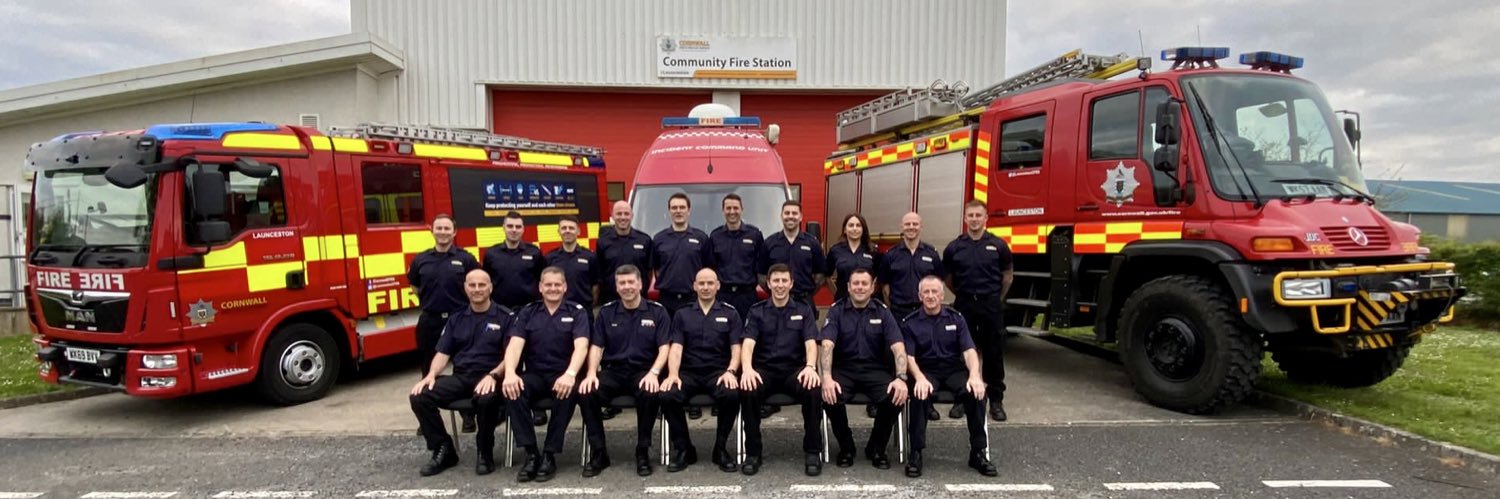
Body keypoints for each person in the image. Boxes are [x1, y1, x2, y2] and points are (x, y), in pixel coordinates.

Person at [408, 269, 512, 477]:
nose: (477, 289)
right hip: (462, 377)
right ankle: (443, 448)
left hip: (493, 378)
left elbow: (511, 355)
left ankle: (485, 451)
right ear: (465, 288)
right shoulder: (457, 319)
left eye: (482, 285)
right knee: (419, 396)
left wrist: (493, 375)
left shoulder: (505, 316)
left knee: (486, 399)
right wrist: (430, 375)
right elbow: (442, 353)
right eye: (472, 285)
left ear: (490, 287)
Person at [579, 264, 674, 477]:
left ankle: (642, 451)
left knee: (650, 392)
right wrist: (592, 373)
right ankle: (599, 452)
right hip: (613, 371)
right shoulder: (606, 312)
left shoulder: (657, 312)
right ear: (616, 286)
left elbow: (664, 348)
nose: (627, 286)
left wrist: (654, 373)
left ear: (640, 284)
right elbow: (596, 346)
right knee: (586, 392)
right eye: (622, 283)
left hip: (644, 370)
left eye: (631, 282)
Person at [501, 267, 591, 483]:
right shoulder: (528, 312)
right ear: (540, 287)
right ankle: (531, 453)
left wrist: (570, 374)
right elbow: (514, 346)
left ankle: (549, 454)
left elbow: (582, 347)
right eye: (548, 285)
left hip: (564, 373)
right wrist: (510, 373)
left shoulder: (576, 311)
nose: (553, 289)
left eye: (557, 284)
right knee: (513, 390)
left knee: (567, 393)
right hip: (535, 374)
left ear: (565, 287)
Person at [901, 276, 997, 477]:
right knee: (919, 395)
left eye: (934, 291)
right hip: (926, 371)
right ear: (919, 296)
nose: (930, 296)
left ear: (942, 295)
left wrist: (975, 375)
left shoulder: (956, 318)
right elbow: (909, 357)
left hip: (954, 370)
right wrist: (918, 377)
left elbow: (969, 351)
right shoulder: (910, 323)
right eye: (926, 292)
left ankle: (978, 452)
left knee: (976, 393)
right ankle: (916, 453)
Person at [818, 268, 909, 470]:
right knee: (828, 395)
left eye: (864, 284)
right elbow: (827, 345)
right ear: (848, 287)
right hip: (845, 369)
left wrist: (901, 377)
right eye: (856, 284)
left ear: (872, 287)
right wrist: (826, 377)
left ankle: (877, 447)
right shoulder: (836, 310)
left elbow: (898, 347)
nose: (860, 287)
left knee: (896, 394)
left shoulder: (883, 312)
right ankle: (846, 446)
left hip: (875, 370)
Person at [740, 264, 824, 477]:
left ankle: (813, 451)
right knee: (748, 390)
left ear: (791, 283)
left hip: (793, 370)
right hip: (764, 370)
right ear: (768, 283)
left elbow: (811, 343)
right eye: (775, 281)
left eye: (784, 280)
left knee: (813, 388)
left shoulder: (803, 310)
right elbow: (748, 344)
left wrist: (811, 367)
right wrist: (748, 369)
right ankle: (753, 453)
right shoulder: (756, 311)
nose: (780, 285)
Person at [661, 268, 743, 472]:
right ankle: (684, 449)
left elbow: (736, 348)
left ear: (718, 286)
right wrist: (672, 374)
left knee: (731, 395)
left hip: (719, 372)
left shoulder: (730, 312)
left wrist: (731, 371)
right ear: (694, 286)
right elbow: (676, 348)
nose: (706, 287)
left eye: (710, 283)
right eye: (702, 283)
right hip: (689, 372)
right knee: (668, 395)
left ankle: (720, 448)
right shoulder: (682, 314)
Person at [406, 214, 481, 431]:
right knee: (428, 367)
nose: (443, 232)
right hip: (431, 320)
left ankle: (468, 416)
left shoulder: (465, 259)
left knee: (464, 367)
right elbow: (416, 287)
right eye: (439, 228)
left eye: (447, 228)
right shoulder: (421, 259)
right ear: (432, 231)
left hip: (460, 319)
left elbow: (477, 284)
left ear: (454, 232)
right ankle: (427, 419)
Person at [942, 200, 1013, 422]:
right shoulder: (955, 247)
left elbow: (1007, 277)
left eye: (978, 215)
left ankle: (996, 401)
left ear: (986, 218)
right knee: (962, 352)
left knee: (993, 353)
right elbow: (949, 279)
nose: (974, 219)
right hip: (965, 304)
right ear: (965, 219)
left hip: (991, 305)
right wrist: (964, 295)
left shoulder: (998, 245)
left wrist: (995, 299)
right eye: (970, 215)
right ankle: (962, 398)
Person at [758, 200, 825, 310]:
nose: (790, 216)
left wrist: (808, 292)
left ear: (801, 217)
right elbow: (761, 276)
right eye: (787, 213)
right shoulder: (769, 243)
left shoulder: (812, 243)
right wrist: (775, 291)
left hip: (804, 302)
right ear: (781, 216)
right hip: (776, 302)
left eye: (794, 213)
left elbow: (820, 276)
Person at [651, 193, 711, 314]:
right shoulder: (659, 239)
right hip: (666, 300)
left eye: (682, 207)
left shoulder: (701, 238)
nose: (678, 211)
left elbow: (708, 268)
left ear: (688, 211)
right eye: (674, 208)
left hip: (693, 299)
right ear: (669, 211)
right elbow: (657, 270)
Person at [880, 211, 944, 321]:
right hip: (898, 313)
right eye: (907, 224)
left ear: (921, 227)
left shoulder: (931, 253)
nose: (911, 227)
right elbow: (885, 288)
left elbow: (940, 282)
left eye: (915, 224)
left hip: (925, 311)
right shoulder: (891, 254)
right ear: (902, 227)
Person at [708, 193, 764, 316]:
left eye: (736, 208)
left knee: (747, 333)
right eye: (728, 208)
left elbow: (761, 265)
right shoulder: (715, 236)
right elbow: (711, 267)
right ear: (723, 210)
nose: (732, 212)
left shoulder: (754, 235)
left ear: (742, 210)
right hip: (722, 295)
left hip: (747, 296)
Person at [484, 210, 546, 310]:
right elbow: (486, 281)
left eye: (518, 227)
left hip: (529, 310)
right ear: (503, 227)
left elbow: (542, 280)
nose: (514, 230)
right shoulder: (491, 253)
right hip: (499, 310)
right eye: (510, 226)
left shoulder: (534, 252)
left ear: (523, 229)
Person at [597, 200, 653, 306]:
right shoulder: (603, 242)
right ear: (612, 216)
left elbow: (649, 272)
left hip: (639, 300)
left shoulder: (645, 240)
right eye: (619, 213)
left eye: (626, 213)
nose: (623, 217)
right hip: (611, 300)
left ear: (632, 215)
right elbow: (600, 273)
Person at [545, 215, 600, 310]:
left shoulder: (590, 256)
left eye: (571, 228)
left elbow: (595, 286)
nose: (567, 231)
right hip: (557, 311)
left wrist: (590, 304)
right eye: (564, 228)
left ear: (578, 231)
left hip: (584, 310)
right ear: (559, 232)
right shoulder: (550, 258)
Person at [825, 213, 881, 303]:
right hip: (843, 302)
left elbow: (880, 276)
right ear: (845, 230)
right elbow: (826, 276)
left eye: (858, 225)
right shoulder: (835, 250)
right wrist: (837, 293)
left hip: (867, 302)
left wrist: (871, 291)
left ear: (863, 229)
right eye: (851, 225)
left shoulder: (873, 250)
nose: (854, 229)